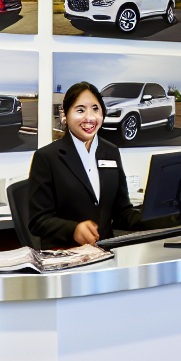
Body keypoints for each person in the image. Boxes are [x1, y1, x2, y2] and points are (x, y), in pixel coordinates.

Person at [26, 81, 146, 249]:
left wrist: (163, 218)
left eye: (95, 109)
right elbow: (38, 221)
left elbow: (122, 213)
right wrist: (73, 230)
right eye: (80, 110)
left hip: (104, 253)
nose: (90, 118)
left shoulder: (111, 152)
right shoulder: (47, 157)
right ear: (66, 115)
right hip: (65, 254)